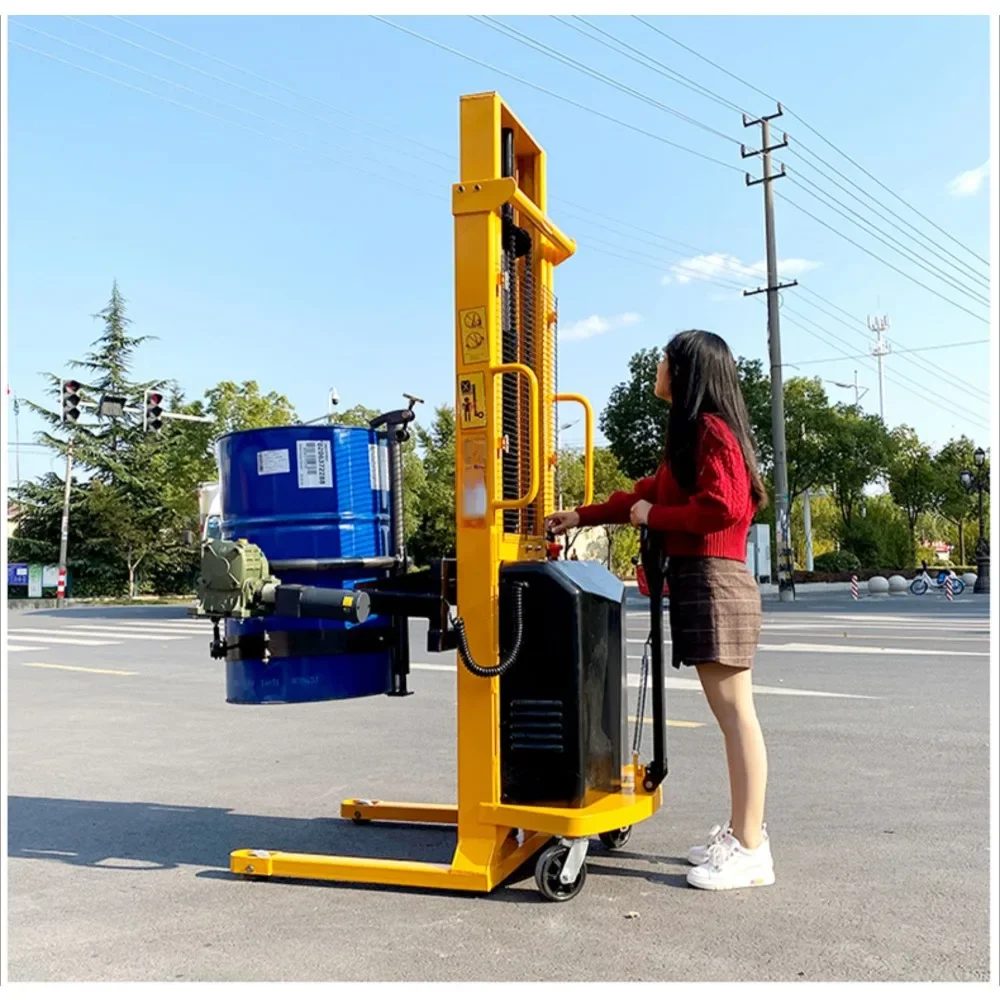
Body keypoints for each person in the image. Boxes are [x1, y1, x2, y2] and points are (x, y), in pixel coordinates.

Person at [545, 329, 773, 891]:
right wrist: (582, 514)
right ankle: (743, 838)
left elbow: (724, 505)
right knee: (732, 714)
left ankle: (751, 846)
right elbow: (642, 497)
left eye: (666, 359)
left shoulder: (711, 429)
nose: (658, 366)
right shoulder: (692, 437)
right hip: (706, 581)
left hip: (717, 581)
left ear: (688, 370)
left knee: (736, 715)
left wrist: (653, 518)